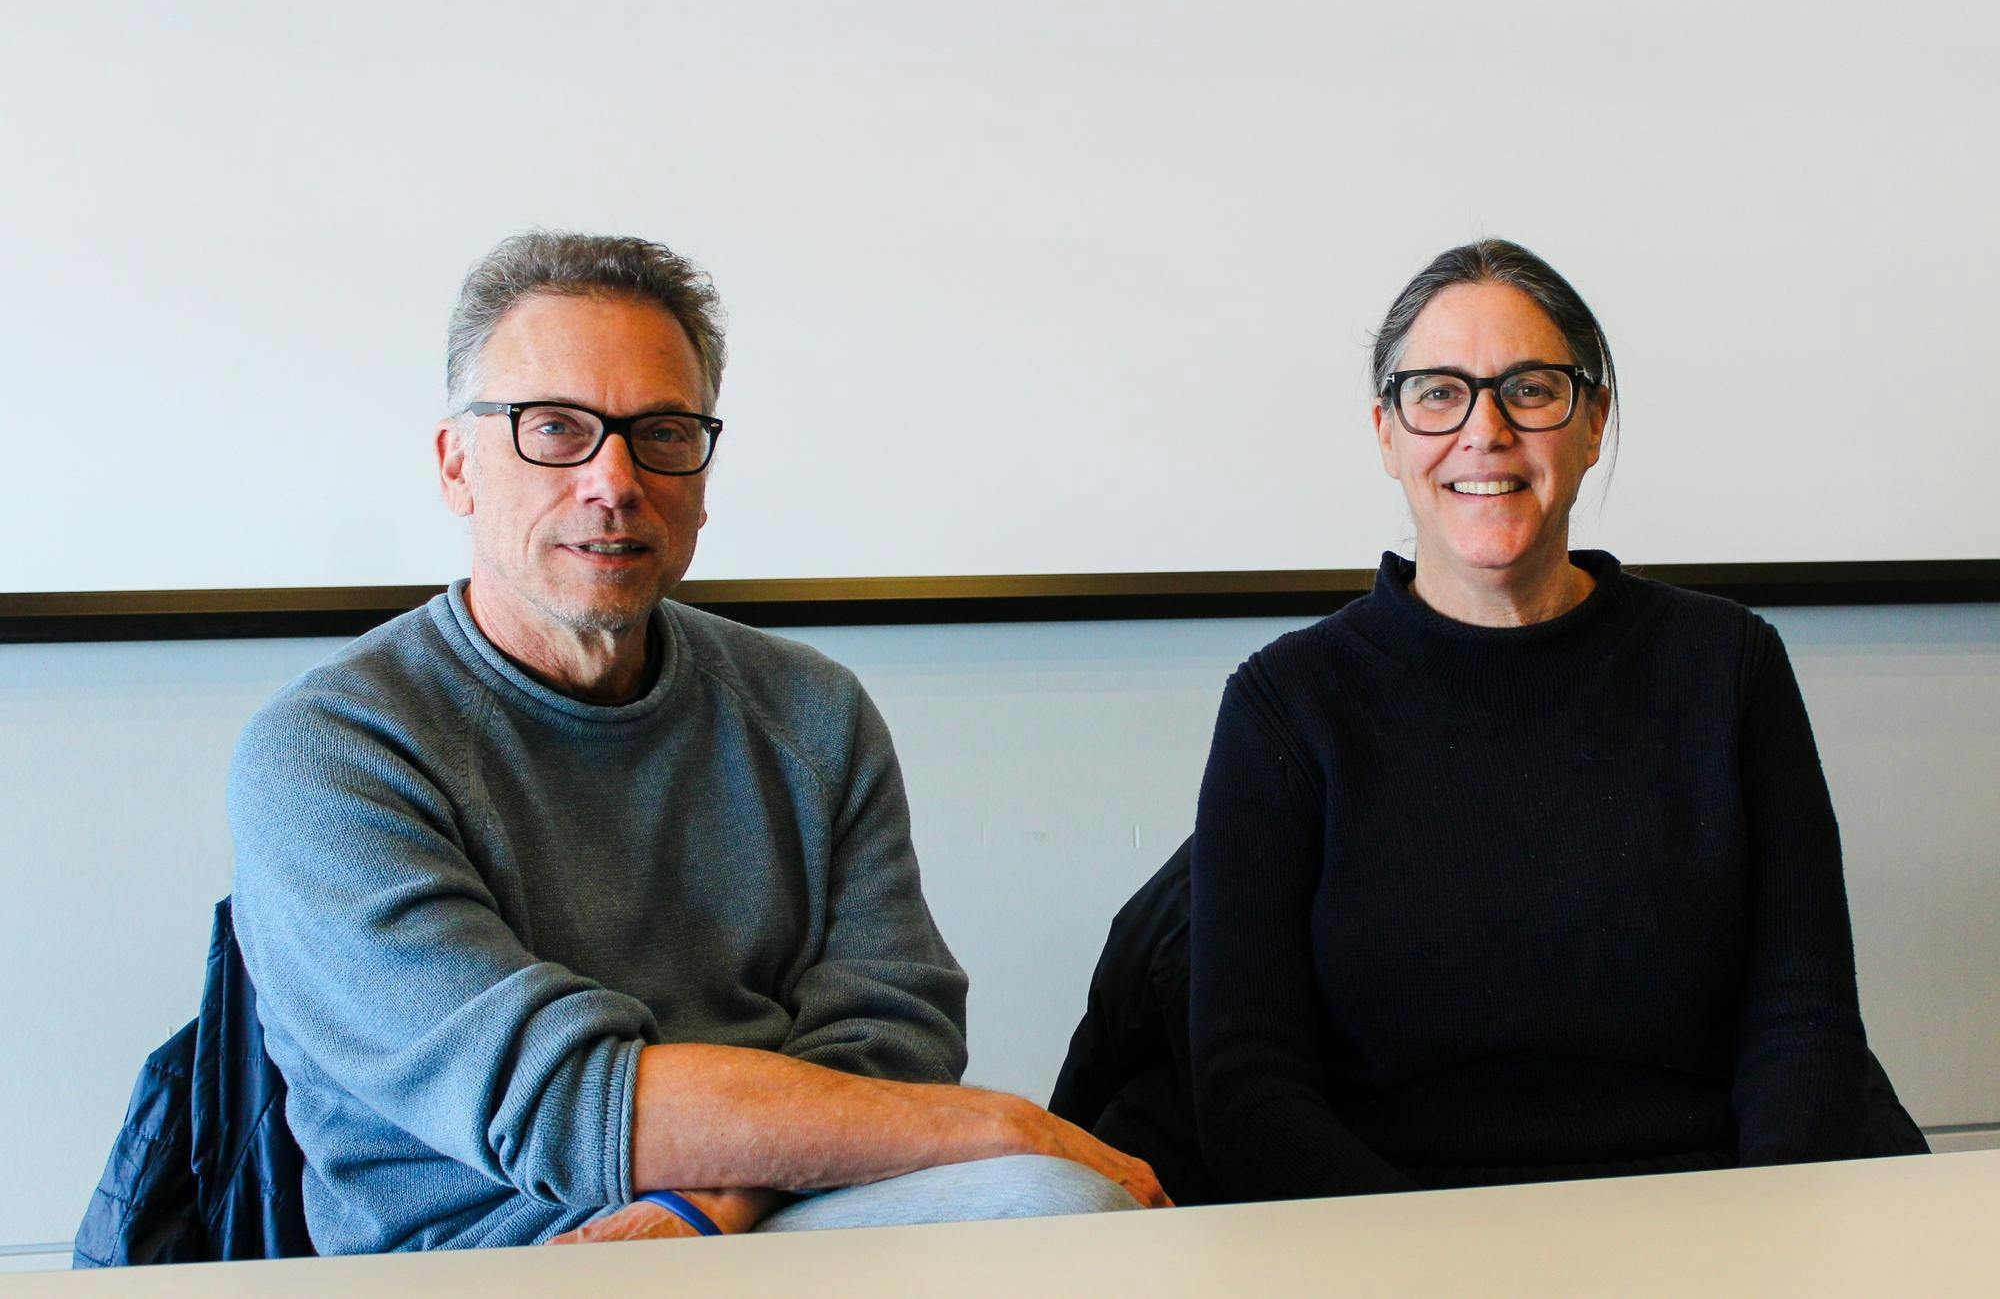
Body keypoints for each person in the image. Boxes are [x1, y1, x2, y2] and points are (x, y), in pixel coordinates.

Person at [229, 231, 1165, 1254]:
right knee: (1035, 1182)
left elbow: (894, 1031)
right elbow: (562, 1101)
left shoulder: (812, 710)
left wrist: (711, 1206)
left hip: (780, 1218)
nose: (613, 480)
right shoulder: (327, 751)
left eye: (662, 431)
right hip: (492, 1252)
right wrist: (989, 1122)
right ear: (456, 464)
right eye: (554, 429)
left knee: (1053, 1217)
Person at [1187, 238, 1873, 1202]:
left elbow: (1805, 1026)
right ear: (1386, 434)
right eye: (1438, 393)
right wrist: (1436, 1261)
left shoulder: (1729, 669)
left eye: (1531, 388)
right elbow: (1247, 1089)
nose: (1485, 430)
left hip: (1704, 1216)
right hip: (1392, 1243)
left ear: (1593, 423)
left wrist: (1751, 1236)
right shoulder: (1286, 705)